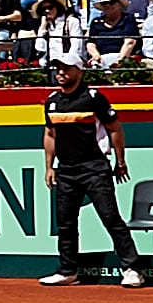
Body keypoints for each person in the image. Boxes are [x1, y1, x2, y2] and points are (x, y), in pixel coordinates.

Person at [38, 70, 141, 287]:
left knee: (110, 217)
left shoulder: (94, 98)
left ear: (78, 71)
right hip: (65, 170)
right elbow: (50, 134)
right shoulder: (52, 101)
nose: (60, 73)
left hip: (95, 167)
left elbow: (115, 129)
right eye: (57, 69)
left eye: (66, 68)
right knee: (65, 224)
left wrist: (120, 161)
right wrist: (49, 166)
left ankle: (132, 269)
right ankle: (68, 271)